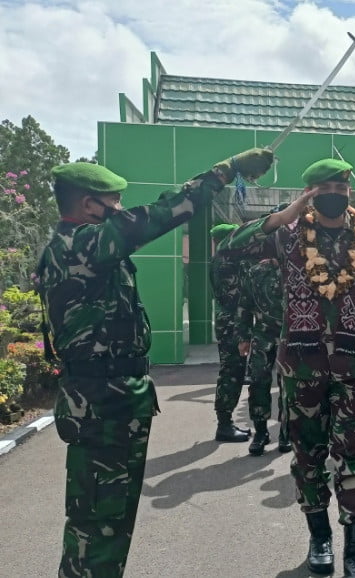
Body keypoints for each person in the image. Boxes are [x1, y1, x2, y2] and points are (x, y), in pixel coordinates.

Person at [35, 149, 273, 577]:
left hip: (112, 401)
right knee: (97, 526)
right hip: (101, 405)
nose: (120, 209)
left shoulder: (81, 245)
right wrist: (227, 170)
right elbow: (164, 213)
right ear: (90, 204)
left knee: (111, 521)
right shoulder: (81, 243)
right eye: (114, 201)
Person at [224, 158, 355, 575]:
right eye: (326, 187)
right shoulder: (286, 238)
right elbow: (232, 247)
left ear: (351, 191)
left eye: (342, 186)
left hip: (354, 368)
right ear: (310, 194)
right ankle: (319, 538)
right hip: (303, 367)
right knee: (308, 455)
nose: (336, 193)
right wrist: (282, 215)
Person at [237, 203, 292, 456]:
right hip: (263, 335)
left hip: (291, 336)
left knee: (289, 386)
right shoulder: (257, 271)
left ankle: (285, 433)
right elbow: (245, 305)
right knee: (258, 382)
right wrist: (243, 337)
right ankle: (260, 433)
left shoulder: (301, 269)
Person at [209, 223, 254, 442]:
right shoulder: (226, 261)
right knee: (231, 372)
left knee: (233, 370)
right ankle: (224, 424)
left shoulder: (221, 258)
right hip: (232, 324)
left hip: (229, 322)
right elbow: (236, 297)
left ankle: (225, 422)